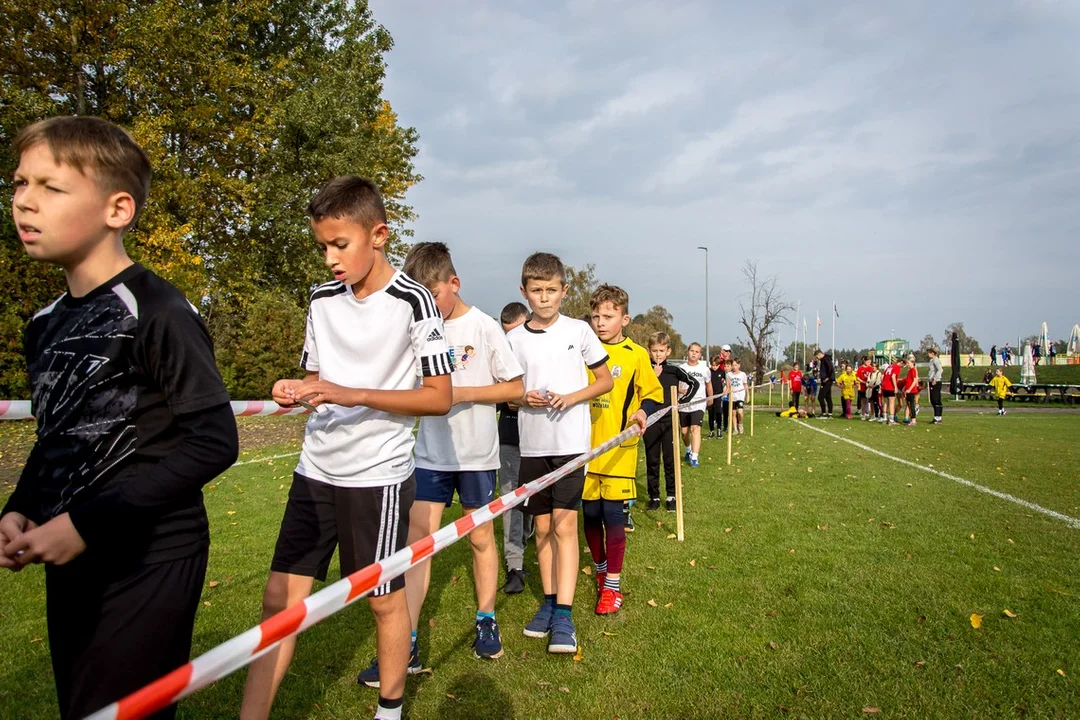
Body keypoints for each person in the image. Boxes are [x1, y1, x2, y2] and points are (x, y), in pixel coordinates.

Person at [0, 116, 239, 720]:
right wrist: (20, 506)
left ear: (118, 209)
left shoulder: (159, 310)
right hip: (73, 554)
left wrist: (85, 521)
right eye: (18, 183)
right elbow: (59, 435)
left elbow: (213, 442)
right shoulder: (44, 323)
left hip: (151, 558)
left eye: (50, 188)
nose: (24, 201)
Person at [240, 177, 453, 720]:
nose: (331, 259)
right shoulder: (320, 299)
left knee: (382, 600)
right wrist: (293, 389)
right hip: (315, 469)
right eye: (323, 247)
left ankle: (390, 708)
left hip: (377, 476)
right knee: (278, 603)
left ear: (378, 235)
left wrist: (349, 392)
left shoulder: (416, 301)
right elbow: (317, 379)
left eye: (341, 245)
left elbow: (439, 397)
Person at [364, 242, 524, 682]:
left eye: (432, 294)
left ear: (454, 283)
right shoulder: (415, 327)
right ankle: (408, 642)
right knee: (419, 548)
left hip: (476, 456)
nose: (425, 304)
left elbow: (514, 389)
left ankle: (486, 620)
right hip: (430, 455)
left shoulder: (485, 327)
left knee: (479, 540)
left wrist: (463, 393)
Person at [507, 252, 613, 655]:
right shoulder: (513, 339)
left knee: (566, 529)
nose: (545, 298)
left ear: (564, 292)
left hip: (570, 447)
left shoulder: (580, 332)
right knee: (544, 529)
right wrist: (522, 398)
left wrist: (571, 398)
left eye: (552, 291)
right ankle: (548, 603)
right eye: (537, 291)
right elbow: (509, 397)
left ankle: (565, 616)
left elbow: (603, 382)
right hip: (532, 448)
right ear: (524, 292)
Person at [583, 285, 663, 615]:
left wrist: (642, 411)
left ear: (624, 318)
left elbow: (653, 393)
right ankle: (601, 570)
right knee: (589, 516)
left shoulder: (635, 355)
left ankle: (612, 587)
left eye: (609, 316)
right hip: (583, 449)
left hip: (619, 450)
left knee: (613, 517)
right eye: (597, 316)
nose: (601, 322)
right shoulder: (582, 348)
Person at [497, 302, 531, 595]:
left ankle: (526, 538)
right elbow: (500, 399)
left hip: (544, 439)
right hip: (510, 439)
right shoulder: (500, 354)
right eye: (506, 334)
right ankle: (515, 566)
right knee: (511, 501)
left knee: (535, 501)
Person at [645, 333, 699, 512]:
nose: (658, 354)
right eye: (654, 351)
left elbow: (694, 384)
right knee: (652, 460)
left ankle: (671, 496)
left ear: (668, 351)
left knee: (670, 459)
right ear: (649, 351)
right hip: (651, 421)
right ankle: (653, 496)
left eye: (661, 350)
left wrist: (682, 401)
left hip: (669, 421)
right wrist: (653, 375)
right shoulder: (645, 369)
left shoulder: (674, 370)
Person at [679, 343, 712, 467]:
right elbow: (676, 384)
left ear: (700, 355)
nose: (694, 353)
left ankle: (695, 457)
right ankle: (688, 450)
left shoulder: (704, 369)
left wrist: (710, 398)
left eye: (696, 352)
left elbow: (708, 385)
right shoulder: (681, 368)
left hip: (699, 403)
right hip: (684, 403)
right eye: (692, 351)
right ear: (688, 352)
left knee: (695, 428)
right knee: (684, 432)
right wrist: (680, 390)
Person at [725, 359, 749, 434]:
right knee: (733, 413)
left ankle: (740, 424)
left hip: (740, 395)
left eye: (736, 365)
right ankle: (735, 429)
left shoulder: (743, 374)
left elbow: (745, 385)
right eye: (733, 365)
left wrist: (748, 395)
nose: (734, 367)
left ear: (739, 365)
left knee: (740, 412)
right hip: (732, 396)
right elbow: (728, 386)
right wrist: (725, 393)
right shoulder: (728, 375)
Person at [707, 355, 725, 439]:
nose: (714, 367)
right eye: (712, 365)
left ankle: (719, 430)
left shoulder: (722, 372)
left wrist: (726, 389)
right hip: (710, 396)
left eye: (716, 365)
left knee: (718, 412)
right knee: (710, 413)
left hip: (718, 395)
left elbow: (727, 381)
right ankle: (711, 431)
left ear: (719, 365)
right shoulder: (708, 371)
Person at [815, 349, 835, 418]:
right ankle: (829, 414)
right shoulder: (823, 360)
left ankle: (823, 413)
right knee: (828, 397)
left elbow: (830, 368)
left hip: (827, 381)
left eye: (817, 357)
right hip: (825, 380)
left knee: (820, 397)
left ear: (820, 354)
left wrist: (827, 377)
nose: (817, 359)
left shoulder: (826, 359)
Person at [881, 357, 901, 425]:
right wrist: (895, 386)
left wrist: (882, 384)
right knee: (892, 402)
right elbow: (893, 376)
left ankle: (884, 419)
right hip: (890, 386)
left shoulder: (889, 366)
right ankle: (891, 420)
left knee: (886, 402)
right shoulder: (897, 367)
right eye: (903, 365)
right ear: (901, 362)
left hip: (884, 386)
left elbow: (882, 375)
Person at [901, 355, 920, 426]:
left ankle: (913, 420)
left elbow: (915, 380)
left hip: (911, 391)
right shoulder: (909, 371)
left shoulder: (913, 370)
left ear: (912, 363)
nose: (907, 364)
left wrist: (909, 389)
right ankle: (911, 419)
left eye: (908, 363)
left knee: (912, 405)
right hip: (908, 390)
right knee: (909, 405)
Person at [927, 347, 944, 424]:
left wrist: (935, 379)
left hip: (936, 382)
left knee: (936, 399)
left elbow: (940, 369)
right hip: (931, 381)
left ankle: (938, 417)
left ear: (932, 353)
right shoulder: (931, 361)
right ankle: (936, 416)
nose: (928, 354)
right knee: (933, 400)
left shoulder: (936, 360)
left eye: (929, 353)